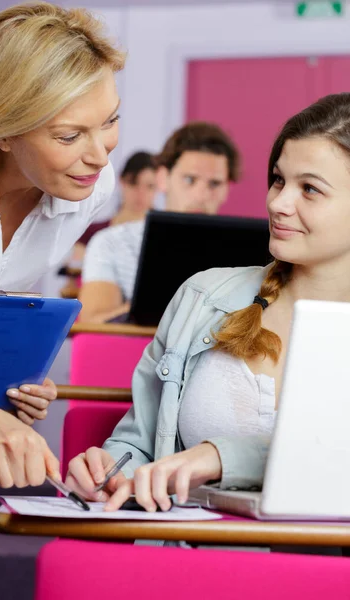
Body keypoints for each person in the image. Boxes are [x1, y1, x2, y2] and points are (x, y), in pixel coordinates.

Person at [66, 92, 350, 511]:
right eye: (278, 180)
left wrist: (222, 457)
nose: (278, 203)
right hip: (193, 561)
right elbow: (140, 444)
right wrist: (111, 471)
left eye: (309, 189)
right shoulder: (202, 297)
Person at [0, 2, 125, 487]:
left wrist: (4, 381)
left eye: (110, 120)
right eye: (69, 135)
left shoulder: (89, 187)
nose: (98, 155)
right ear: (3, 130)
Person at [78, 121, 240, 323]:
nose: (201, 195)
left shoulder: (241, 253)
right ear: (163, 178)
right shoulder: (112, 243)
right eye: (189, 180)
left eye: (214, 183)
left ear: (227, 188)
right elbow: (93, 323)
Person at [59, 151, 156, 298]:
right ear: (121, 181)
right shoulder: (91, 233)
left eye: (149, 186)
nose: (140, 193)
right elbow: (72, 283)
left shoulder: (165, 234)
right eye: (133, 183)